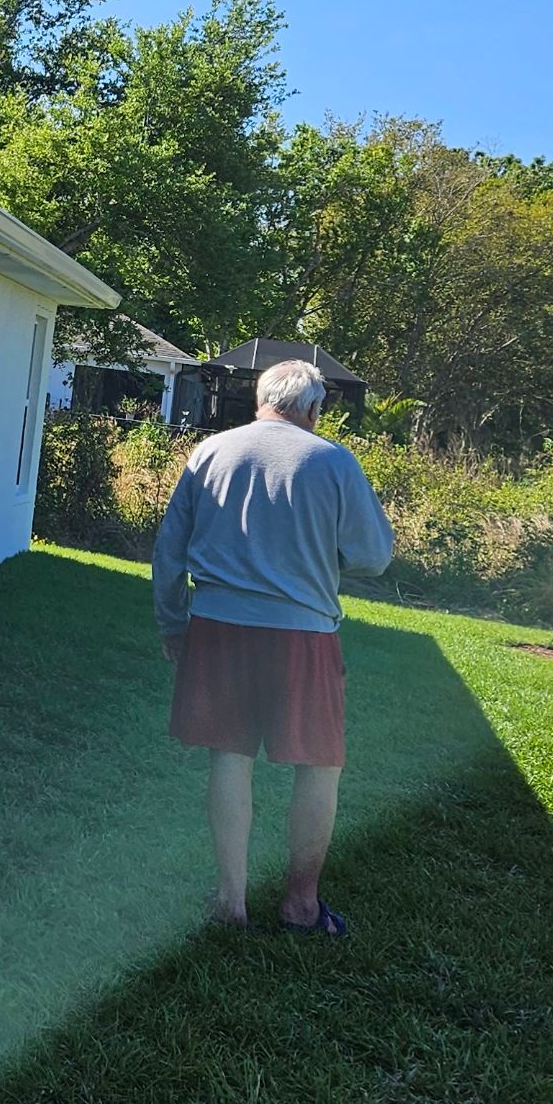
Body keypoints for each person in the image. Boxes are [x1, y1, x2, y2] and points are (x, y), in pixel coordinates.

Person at [151, 357, 394, 938]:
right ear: (313, 408)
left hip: (216, 626)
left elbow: (169, 550)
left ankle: (230, 902)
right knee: (319, 765)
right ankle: (301, 905)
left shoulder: (209, 453)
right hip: (303, 635)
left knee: (229, 757)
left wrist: (172, 623)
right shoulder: (333, 460)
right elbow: (375, 556)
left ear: (258, 399)